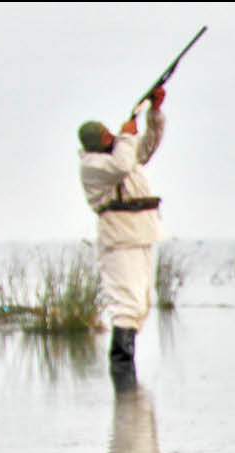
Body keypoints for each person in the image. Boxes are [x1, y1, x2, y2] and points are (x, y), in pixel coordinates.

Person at [78, 85, 167, 385]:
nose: (113, 137)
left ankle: (128, 386)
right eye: (107, 136)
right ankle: (123, 374)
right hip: (119, 241)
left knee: (141, 305)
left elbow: (146, 148)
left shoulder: (119, 153)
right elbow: (122, 163)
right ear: (96, 144)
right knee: (126, 305)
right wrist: (128, 135)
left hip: (141, 235)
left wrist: (154, 113)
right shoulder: (93, 165)